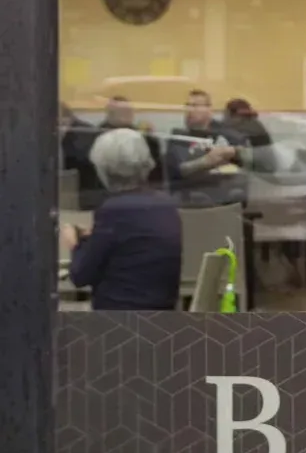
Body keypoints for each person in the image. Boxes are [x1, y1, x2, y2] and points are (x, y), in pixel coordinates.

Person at [65, 128, 182, 311]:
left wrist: (74, 243)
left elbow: (80, 276)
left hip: (118, 318)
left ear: (103, 169)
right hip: (162, 314)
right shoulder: (166, 204)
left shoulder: (113, 210)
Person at [165, 89, 242, 204]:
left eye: (195, 106)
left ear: (209, 110)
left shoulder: (227, 134)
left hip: (222, 194)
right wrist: (207, 161)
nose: (189, 110)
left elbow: (245, 157)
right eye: (188, 106)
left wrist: (234, 152)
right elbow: (180, 170)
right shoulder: (179, 137)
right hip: (190, 195)